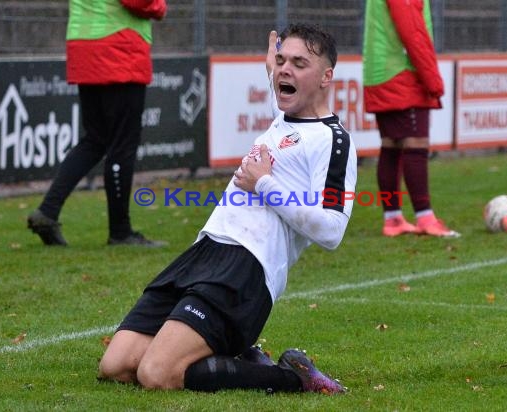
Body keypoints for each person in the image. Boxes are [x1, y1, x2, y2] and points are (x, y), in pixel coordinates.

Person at [97, 23, 357, 394]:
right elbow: (278, 81)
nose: (285, 69)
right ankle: (236, 356)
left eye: (300, 63)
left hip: (247, 268)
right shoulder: (284, 117)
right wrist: (275, 62)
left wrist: (264, 184)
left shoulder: (333, 140)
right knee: (116, 365)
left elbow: (332, 231)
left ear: (326, 77)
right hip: (205, 251)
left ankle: (292, 378)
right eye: (282, 60)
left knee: (157, 375)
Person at [27, 0, 167, 247]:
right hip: (119, 49)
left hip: (84, 48)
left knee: (96, 139)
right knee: (122, 144)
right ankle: (121, 232)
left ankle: (47, 212)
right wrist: (159, 6)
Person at [362, 0, 460, 238]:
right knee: (415, 145)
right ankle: (426, 218)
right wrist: (433, 81)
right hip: (401, 73)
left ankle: (393, 218)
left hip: (378, 72)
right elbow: (412, 32)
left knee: (391, 146)